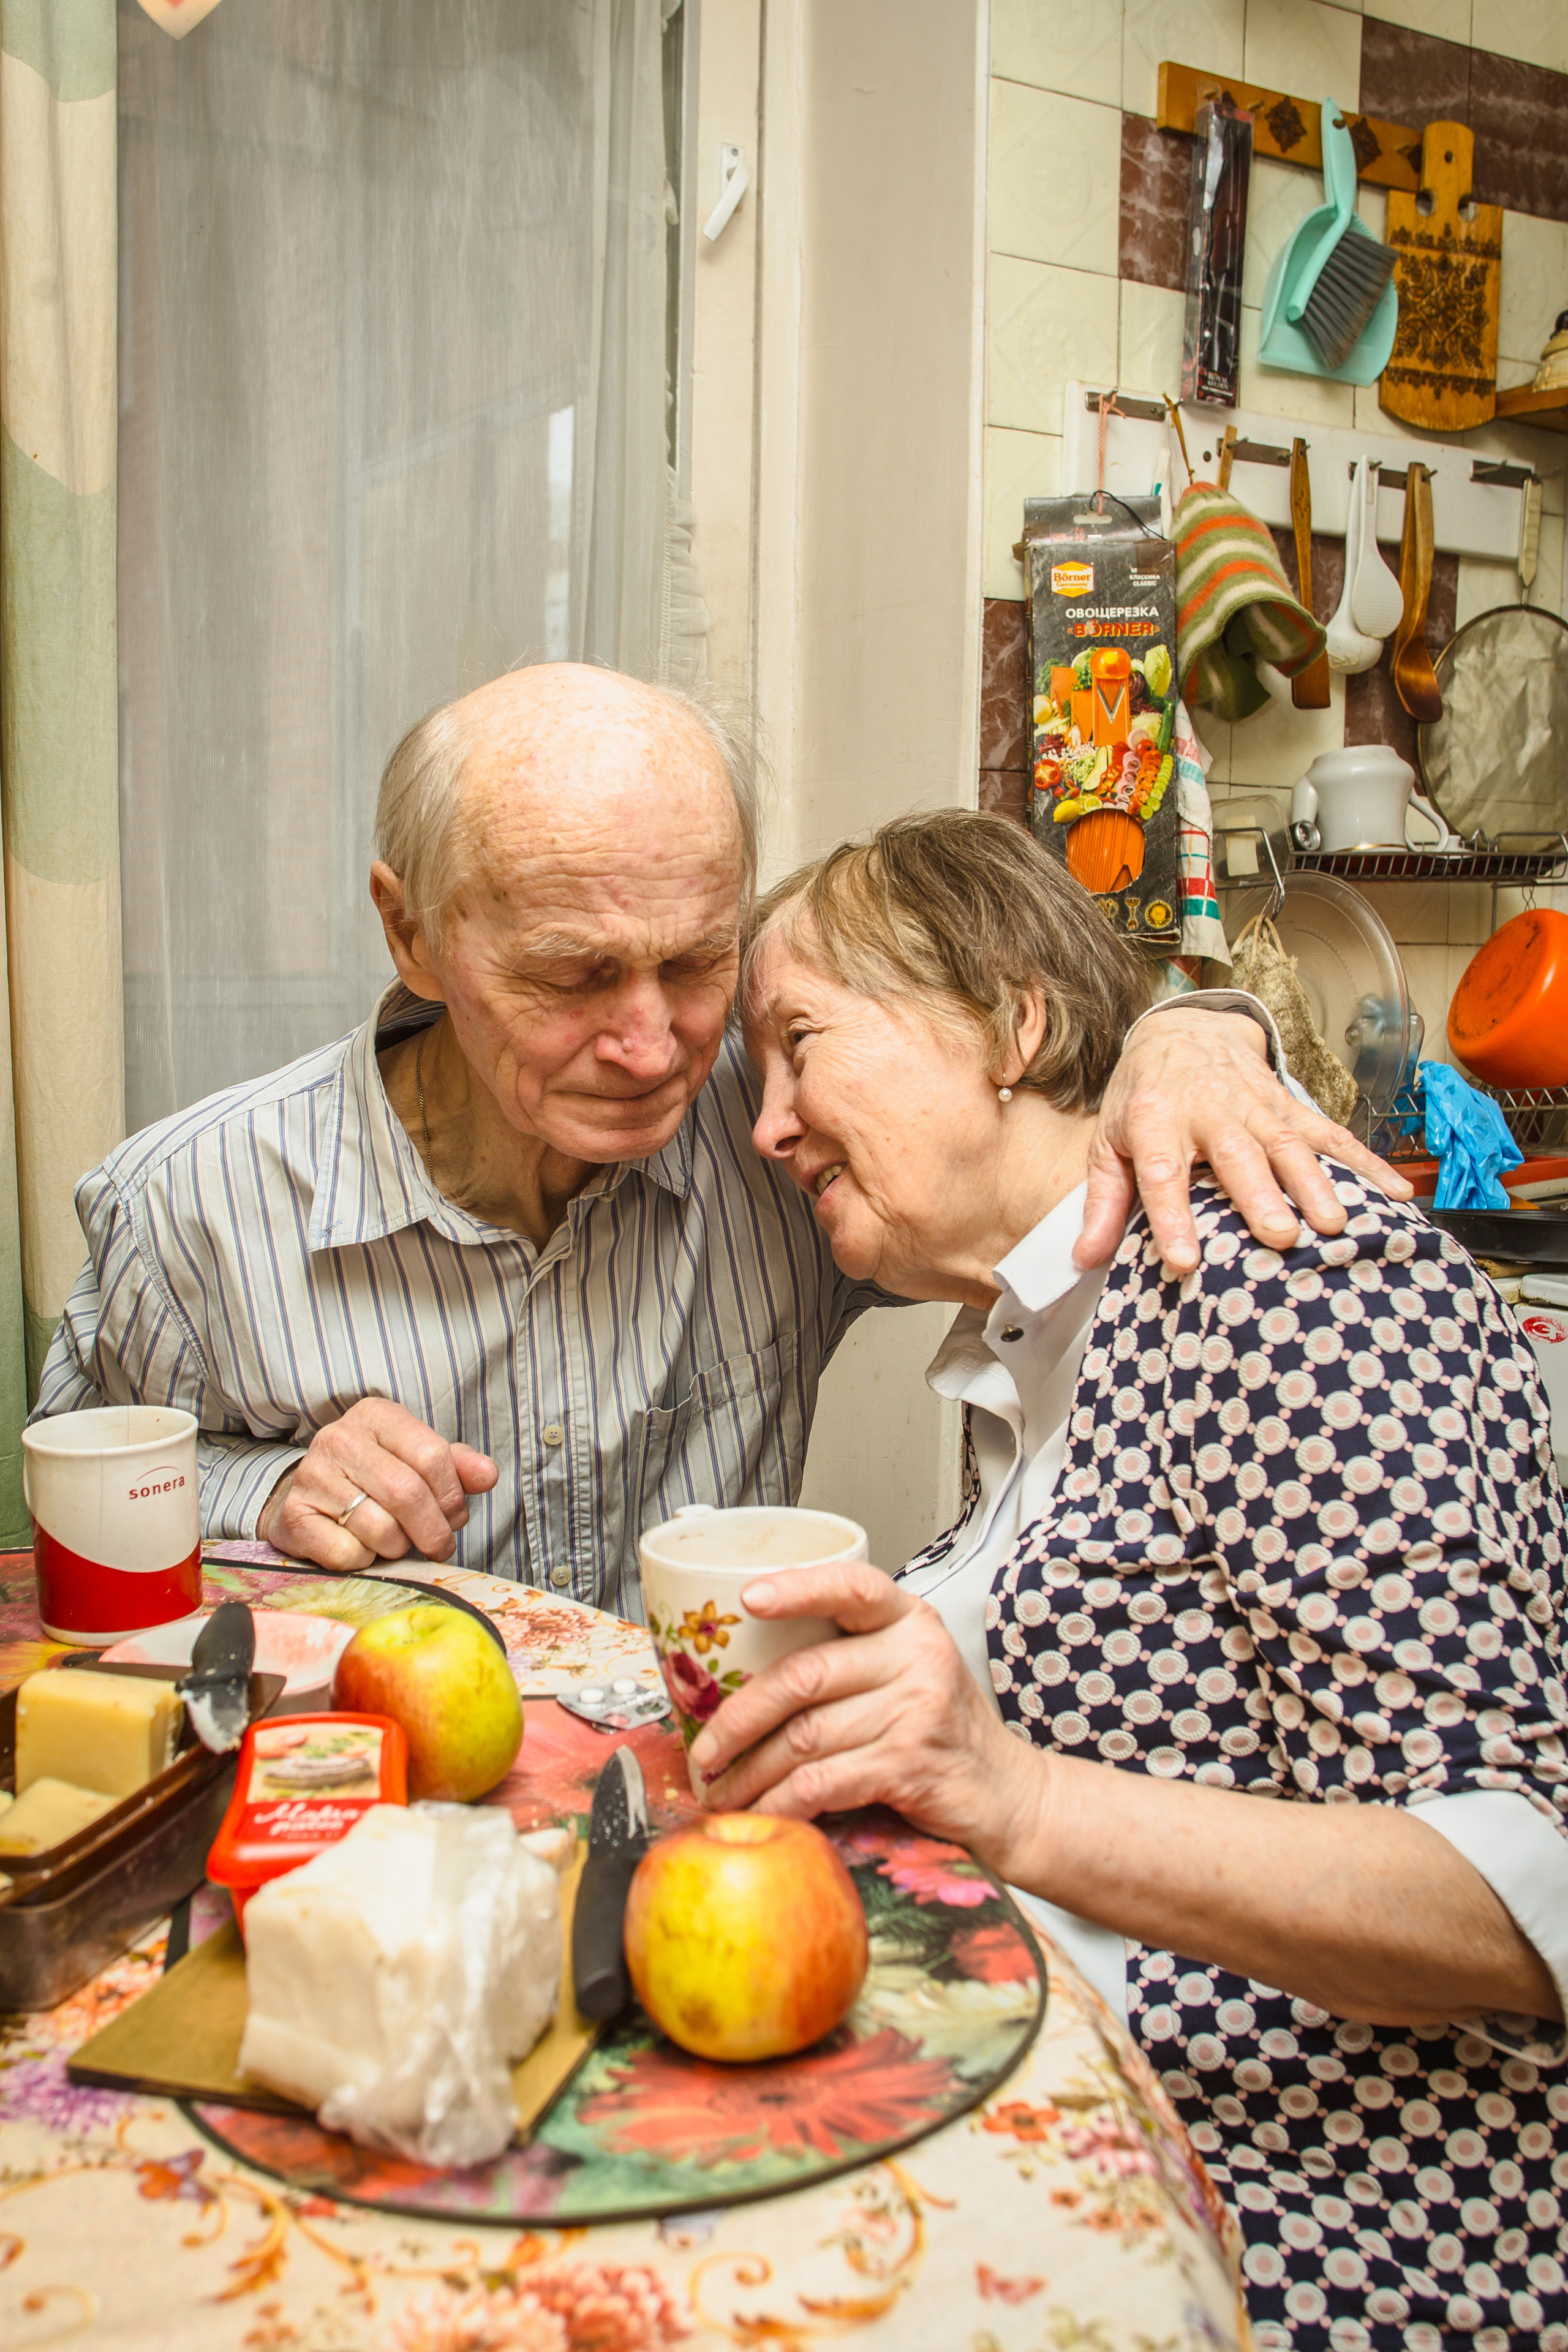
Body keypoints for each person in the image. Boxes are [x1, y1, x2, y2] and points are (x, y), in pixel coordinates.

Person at [692, 810, 1568, 2352]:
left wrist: (1008, 1793)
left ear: (1013, 1021)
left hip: (1315, 2241)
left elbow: (1519, 1902)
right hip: (1097, 2139)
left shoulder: (1284, 1283)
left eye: (800, 1046)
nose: (767, 1127)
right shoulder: (1037, 1341)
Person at [36, 666, 1395, 1612]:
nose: (654, 1046)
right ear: (414, 935)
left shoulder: (773, 1128)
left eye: (698, 961)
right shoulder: (192, 1210)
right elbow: (65, 1536)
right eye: (573, 976)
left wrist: (1193, 1030)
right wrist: (265, 1485)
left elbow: (1019, 1124)